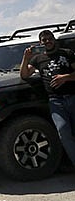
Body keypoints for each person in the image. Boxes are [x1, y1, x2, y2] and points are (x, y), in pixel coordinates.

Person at [20, 30, 75, 166]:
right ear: (41, 42)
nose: (47, 41)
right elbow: (25, 75)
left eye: (49, 38)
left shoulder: (66, 53)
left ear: (54, 39)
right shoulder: (38, 59)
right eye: (44, 40)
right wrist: (26, 58)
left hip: (72, 97)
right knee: (63, 132)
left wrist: (66, 77)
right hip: (56, 102)